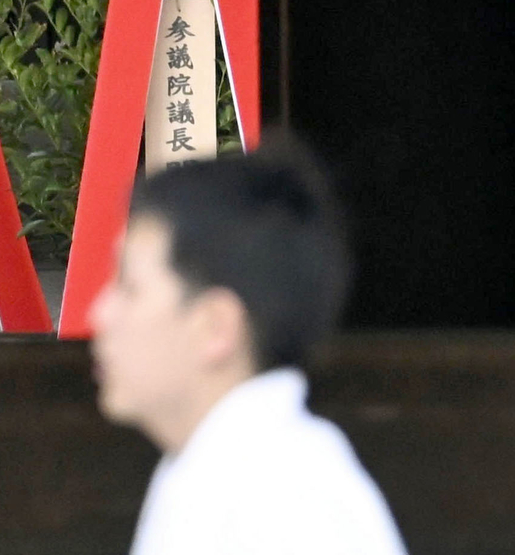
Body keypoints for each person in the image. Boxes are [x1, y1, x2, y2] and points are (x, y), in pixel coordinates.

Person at [90, 146, 408, 555]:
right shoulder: (220, 467)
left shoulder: (286, 501)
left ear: (215, 327)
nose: (100, 314)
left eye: (130, 288)